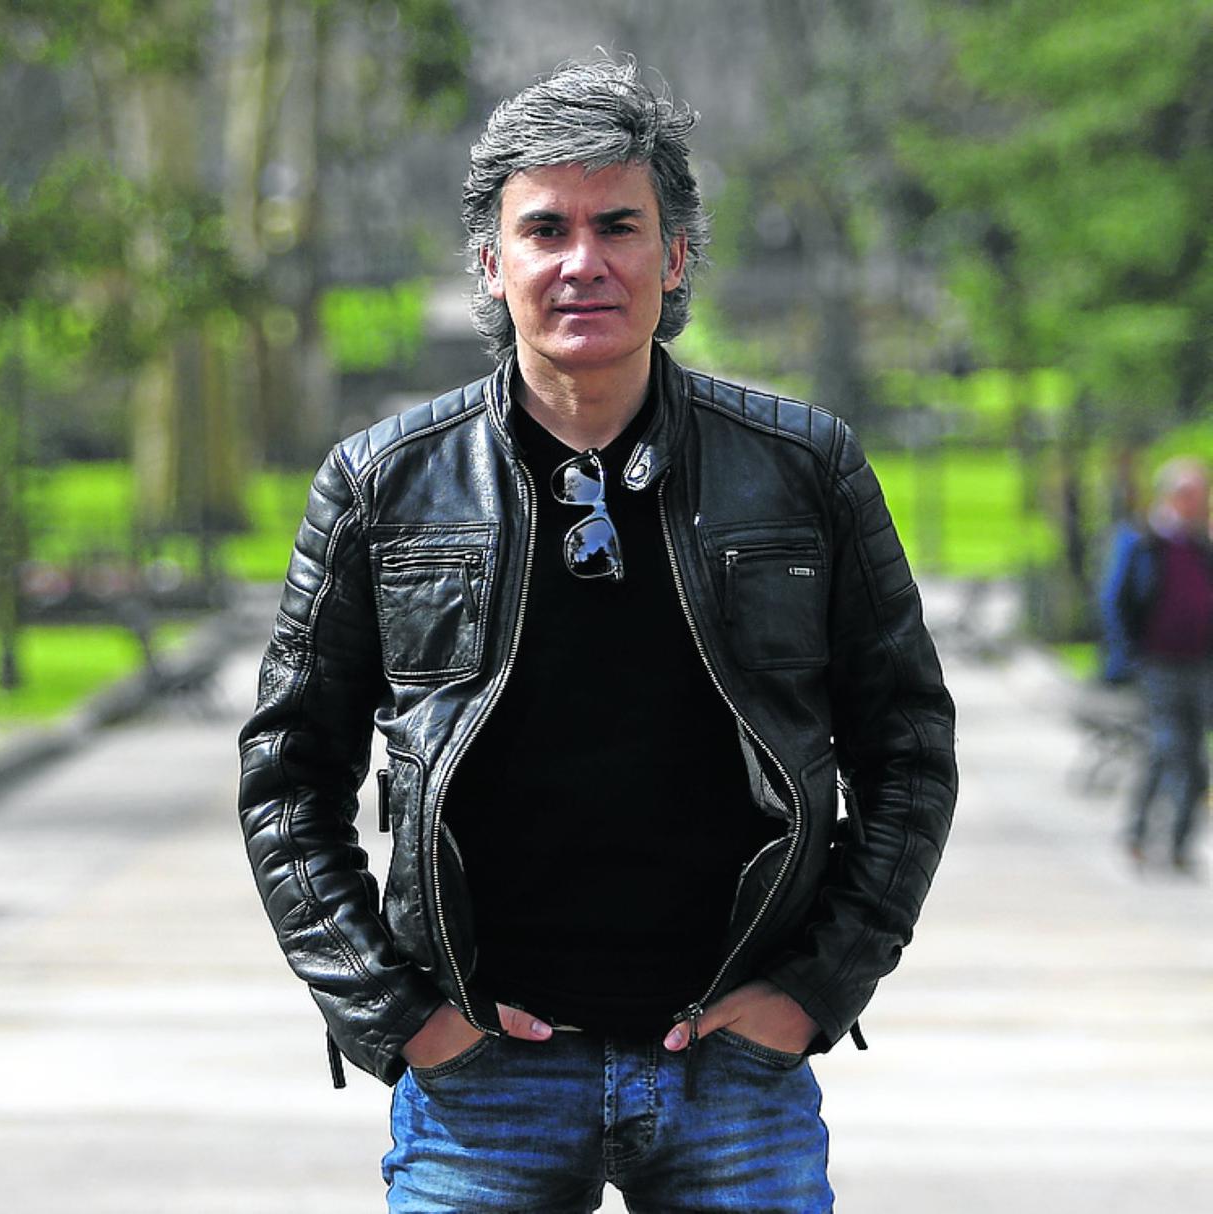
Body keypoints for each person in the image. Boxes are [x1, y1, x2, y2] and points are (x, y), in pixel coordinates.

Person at [238, 55, 957, 1211]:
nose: (584, 261)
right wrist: (399, 1016)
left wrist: (816, 989)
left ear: (674, 256)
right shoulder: (381, 485)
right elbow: (287, 775)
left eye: (619, 225)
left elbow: (909, 746)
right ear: (493, 262)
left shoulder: (805, 469)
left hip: (735, 1068)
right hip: (480, 1079)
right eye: (546, 229)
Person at [1103, 456, 1213, 874]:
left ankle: (1179, 844)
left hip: (1198, 663)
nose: (1195, 503)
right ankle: (1140, 835)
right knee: (1166, 748)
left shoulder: (1202, 545)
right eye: (1189, 495)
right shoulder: (1144, 542)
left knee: (1193, 756)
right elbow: (1117, 600)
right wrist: (1125, 658)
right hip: (1156, 663)